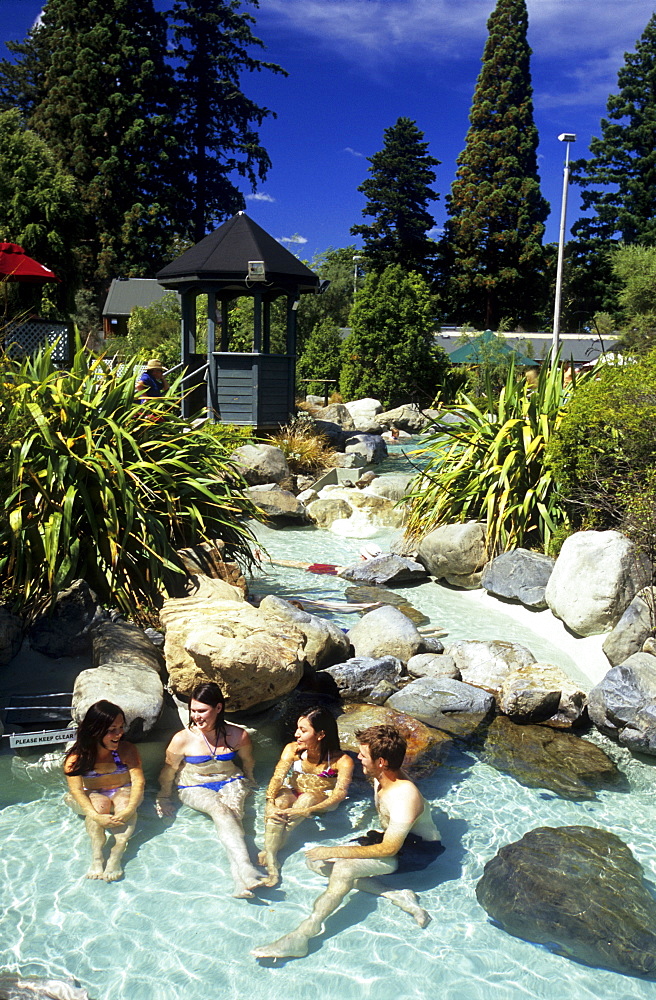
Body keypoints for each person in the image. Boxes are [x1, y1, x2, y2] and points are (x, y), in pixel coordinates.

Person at [252, 724, 441, 960]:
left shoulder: (403, 795)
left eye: (363, 755)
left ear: (381, 761)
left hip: (415, 850)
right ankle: (396, 894)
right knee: (316, 862)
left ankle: (304, 934)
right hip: (394, 839)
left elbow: (391, 848)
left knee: (342, 867)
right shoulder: (382, 776)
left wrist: (334, 850)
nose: (358, 757)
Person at [156, 681, 264, 898]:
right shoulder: (182, 739)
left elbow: (248, 761)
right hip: (193, 784)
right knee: (220, 810)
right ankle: (245, 866)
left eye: (202, 711)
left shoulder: (237, 735)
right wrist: (163, 796)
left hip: (230, 779)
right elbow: (168, 771)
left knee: (235, 815)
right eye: (193, 711)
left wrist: (250, 780)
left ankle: (239, 880)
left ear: (218, 708)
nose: (197, 716)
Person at [259, 707, 354, 886]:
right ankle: (272, 857)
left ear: (320, 734)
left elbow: (340, 793)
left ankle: (271, 849)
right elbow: (278, 777)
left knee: (307, 798)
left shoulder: (341, 761)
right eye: (297, 729)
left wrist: (307, 810)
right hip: (294, 789)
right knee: (280, 801)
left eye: (303, 730)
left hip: (319, 800)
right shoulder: (292, 750)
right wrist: (270, 802)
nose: (296, 734)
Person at [64, 700, 145, 882]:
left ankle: (117, 850)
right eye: (112, 730)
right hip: (94, 793)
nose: (119, 734)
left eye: (121, 727)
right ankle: (97, 855)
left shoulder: (126, 750)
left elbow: (138, 782)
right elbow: (77, 791)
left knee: (125, 802)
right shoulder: (77, 758)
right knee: (98, 807)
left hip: (122, 790)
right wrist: (95, 816)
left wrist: (130, 809)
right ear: (95, 731)